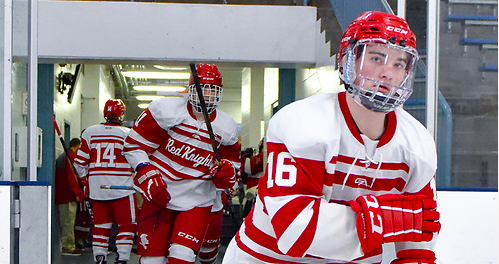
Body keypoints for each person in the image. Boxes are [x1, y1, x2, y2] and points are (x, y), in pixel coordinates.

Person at [222, 11, 441, 264]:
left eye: (398, 64)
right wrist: (386, 217)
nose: (387, 72)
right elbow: (297, 231)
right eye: (376, 58)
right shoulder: (302, 123)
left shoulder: (417, 143)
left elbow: (420, 240)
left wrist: (387, 226)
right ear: (347, 60)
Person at [123, 63, 240, 264]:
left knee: (183, 256)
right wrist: (146, 171)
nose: (207, 97)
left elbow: (231, 169)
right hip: (160, 193)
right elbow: (133, 146)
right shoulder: (166, 110)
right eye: (202, 90)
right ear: (190, 90)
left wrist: (226, 175)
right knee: (152, 261)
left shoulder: (226, 126)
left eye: (212, 91)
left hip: (197, 199)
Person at [74, 99, 138, 264]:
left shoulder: (90, 132)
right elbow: (136, 160)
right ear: (121, 114)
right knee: (126, 225)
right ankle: (122, 258)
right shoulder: (127, 134)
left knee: (100, 225)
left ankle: (100, 257)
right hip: (122, 188)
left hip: (98, 189)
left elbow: (80, 163)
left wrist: (86, 178)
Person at [55, 137, 84, 256]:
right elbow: (72, 177)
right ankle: (68, 246)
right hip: (67, 196)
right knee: (68, 221)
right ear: (77, 146)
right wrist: (78, 193)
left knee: (67, 221)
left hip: (64, 195)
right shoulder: (69, 157)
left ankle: (68, 244)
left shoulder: (63, 157)